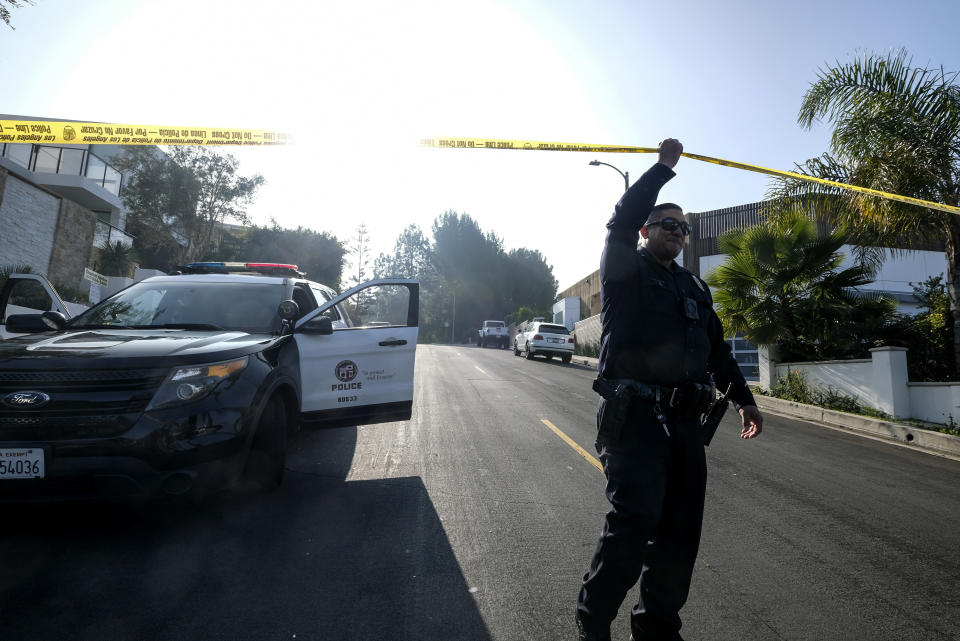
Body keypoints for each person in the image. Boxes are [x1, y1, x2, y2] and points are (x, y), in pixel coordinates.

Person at [575, 138, 763, 641]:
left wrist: (745, 400)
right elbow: (618, 223)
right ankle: (593, 623)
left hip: (685, 428)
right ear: (647, 231)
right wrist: (662, 169)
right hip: (633, 420)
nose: (678, 233)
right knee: (633, 528)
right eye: (667, 225)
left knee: (679, 537)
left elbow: (718, 353)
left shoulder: (695, 288)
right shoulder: (624, 271)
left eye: (684, 227)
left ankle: (657, 628)